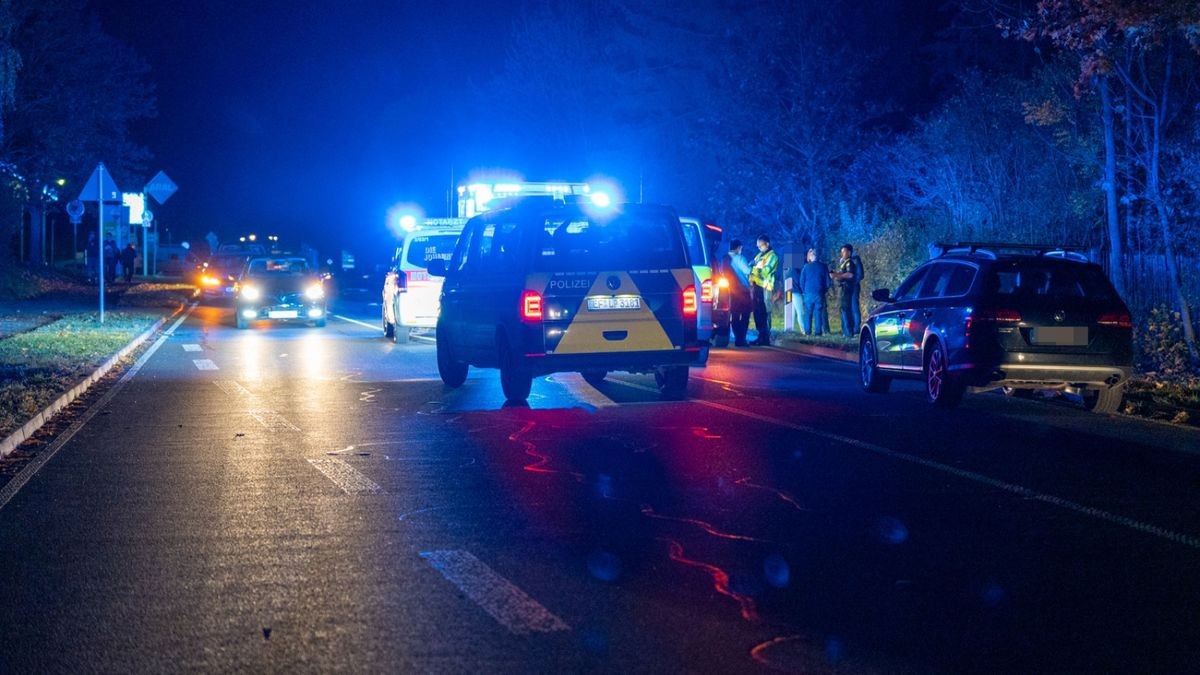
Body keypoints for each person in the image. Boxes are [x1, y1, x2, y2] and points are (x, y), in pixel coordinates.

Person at [721, 239, 752, 347]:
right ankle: (741, 339)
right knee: (745, 315)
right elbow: (747, 271)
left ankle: (737, 337)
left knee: (734, 314)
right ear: (738, 248)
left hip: (731, 291)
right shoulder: (739, 258)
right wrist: (752, 266)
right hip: (743, 290)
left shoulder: (725, 259)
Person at [749, 234, 778, 346]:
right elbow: (751, 268)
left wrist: (754, 269)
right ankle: (760, 335)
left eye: (760, 246)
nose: (759, 248)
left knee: (765, 312)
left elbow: (765, 271)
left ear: (767, 244)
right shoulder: (759, 256)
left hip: (765, 287)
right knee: (757, 312)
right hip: (756, 287)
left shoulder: (772, 256)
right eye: (758, 246)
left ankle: (765, 336)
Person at [830, 243, 864, 337]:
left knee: (853, 306)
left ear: (849, 252)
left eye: (844, 251)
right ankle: (846, 329)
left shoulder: (855, 260)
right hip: (845, 287)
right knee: (845, 307)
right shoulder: (843, 261)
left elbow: (859, 275)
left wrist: (852, 282)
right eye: (841, 252)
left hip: (853, 286)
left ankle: (855, 330)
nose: (842, 254)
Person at [797, 248, 829, 335]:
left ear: (810, 256)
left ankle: (808, 332)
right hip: (819, 293)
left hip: (808, 293)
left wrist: (804, 291)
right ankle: (818, 332)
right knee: (818, 313)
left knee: (808, 313)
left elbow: (801, 281)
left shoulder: (806, 267)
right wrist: (824, 291)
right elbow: (828, 282)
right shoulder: (823, 266)